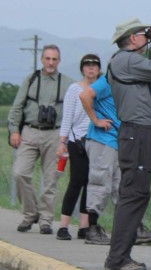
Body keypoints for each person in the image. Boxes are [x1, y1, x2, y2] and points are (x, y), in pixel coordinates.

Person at [103, 18, 151, 270]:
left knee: (136, 194)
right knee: (133, 195)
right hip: (137, 134)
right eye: (143, 34)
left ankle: (121, 256)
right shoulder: (125, 59)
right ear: (133, 38)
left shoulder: (128, 62)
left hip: (139, 134)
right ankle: (117, 259)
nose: (147, 37)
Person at [80, 72, 151, 246]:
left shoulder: (124, 84)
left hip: (121, 140)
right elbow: (85, 95)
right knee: (100, 182)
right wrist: (96, 120)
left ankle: (132, 230)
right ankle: (92, 229)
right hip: (103, 139)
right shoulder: (107, 81)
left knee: (123, 187)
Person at [8, 44, 76, 235]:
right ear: (42, 59)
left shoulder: (68, 84)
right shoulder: (30, 80)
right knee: (19, 173)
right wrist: (14, 130)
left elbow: (78, 107)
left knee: (51, 178)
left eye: (54, 59)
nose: (50, 63)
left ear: (59, 61)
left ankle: (46, 219)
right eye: (47, 58)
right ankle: (30, 214)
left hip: (55, 134)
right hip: (30, 131)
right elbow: (17, 106)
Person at [54, 54, 102, 240]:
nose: (91, 68)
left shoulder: (103, 89)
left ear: (99, 69)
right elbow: (67, 117)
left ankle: (84, 226)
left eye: (94, 65)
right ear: (82, 69)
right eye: (87, 65)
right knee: (77, 181)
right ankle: (64, 226)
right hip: (77, 140)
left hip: (97, 140)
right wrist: (62, 141)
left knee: (92, 183)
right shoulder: (74, 89)